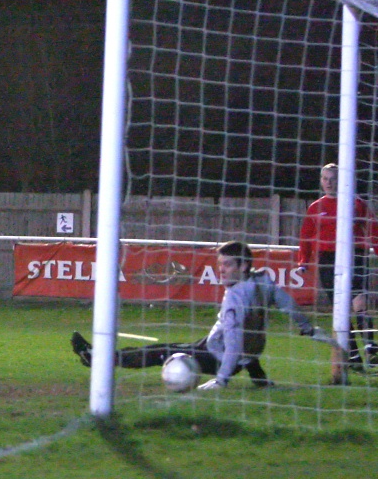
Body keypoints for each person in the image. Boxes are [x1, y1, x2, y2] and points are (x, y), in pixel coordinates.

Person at [71, 241, 333, 390]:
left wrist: (221, 381)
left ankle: (97, 359)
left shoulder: (234, 299)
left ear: (243, 266)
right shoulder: (263, 281)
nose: (221, 270)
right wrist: (307, 328)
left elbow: (232, 346)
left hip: (217, 357)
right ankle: (261, 380)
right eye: (219, 265)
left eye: (227, 264)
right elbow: (287, 302)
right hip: (247, 354)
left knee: (160, 351)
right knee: (242, 342)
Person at [297, 163, 378, 369]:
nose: (329, 183)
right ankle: (353, 356)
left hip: (354, 255)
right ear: (321, 181)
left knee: (359, 301)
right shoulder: (315, 207)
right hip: (327, 258)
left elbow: (373, 229)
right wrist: (303, 261)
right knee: (339, 308)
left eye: (333, 178)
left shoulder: (356, 203)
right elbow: (306, 237)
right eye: (325, 179)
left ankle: (371, 347)